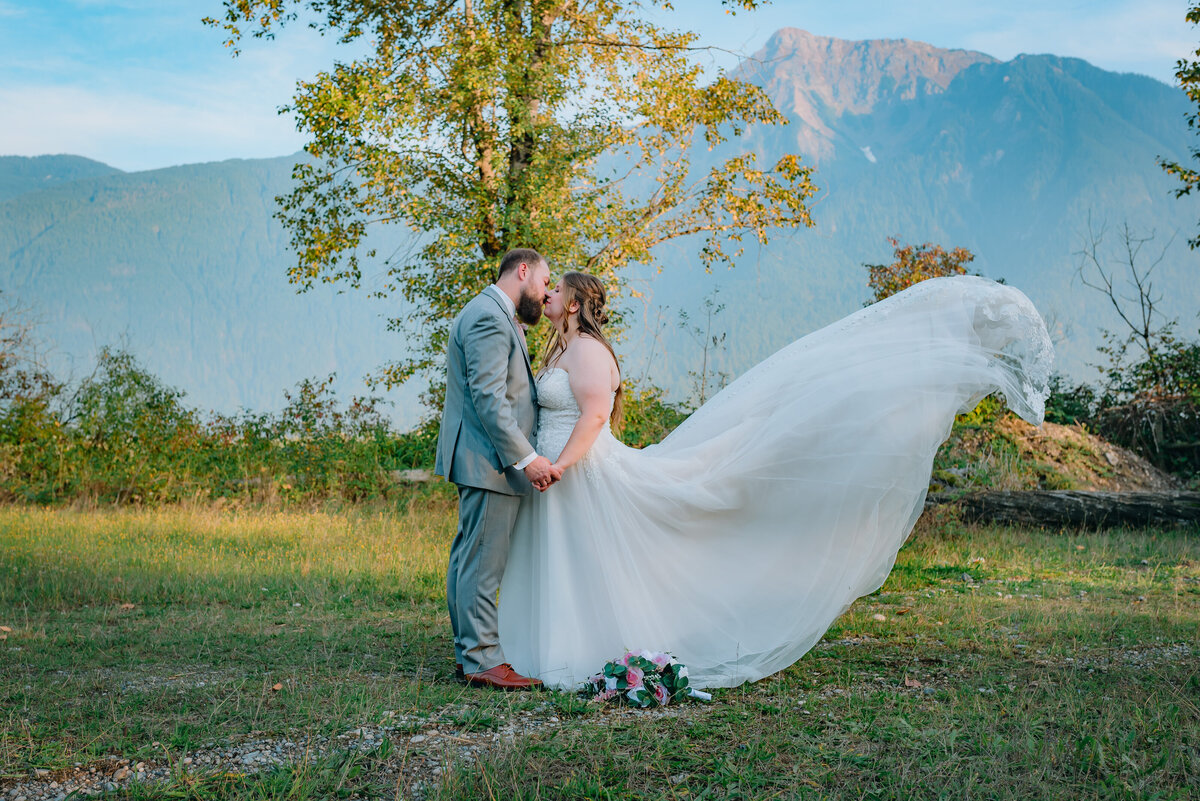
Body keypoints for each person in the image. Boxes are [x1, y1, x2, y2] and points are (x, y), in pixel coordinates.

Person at [498, 271, 1053, 690]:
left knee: (598, 558)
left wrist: (563, 464)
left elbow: (595, 416)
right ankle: (555, 647)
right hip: (555, 472)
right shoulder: (563, 346)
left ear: (571, 303)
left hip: (577, 470)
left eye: (552, 292)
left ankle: (593, 647)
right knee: (569, 561)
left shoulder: (589, 351)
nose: (542, 297)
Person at [435, 247, 560, 691]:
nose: (545, 295)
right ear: (522, 271)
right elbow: (490, 399)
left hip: (482, 458)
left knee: (469, 559)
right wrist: (527, 459)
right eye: (545, 283)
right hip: (490, 461)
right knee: (483, 563)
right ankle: (482, 659)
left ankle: (469, 653)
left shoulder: (492, 312)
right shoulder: (489, 316)